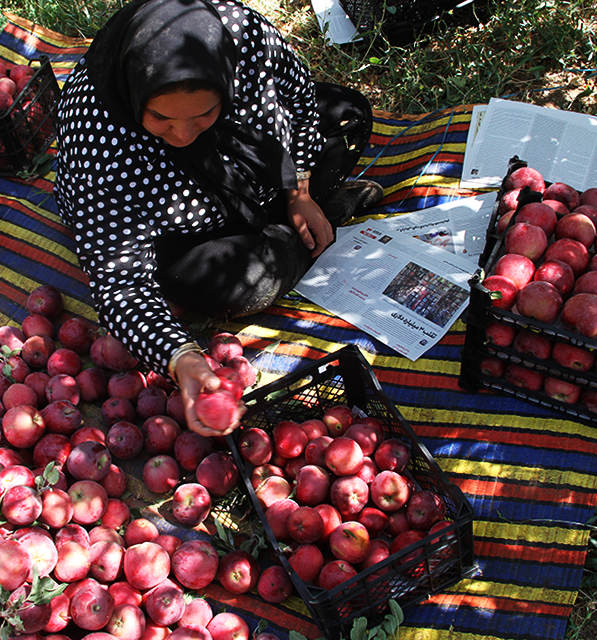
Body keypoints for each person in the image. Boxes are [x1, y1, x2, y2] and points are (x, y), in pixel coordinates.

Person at [54, 0, 381, 436]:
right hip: (179, 229)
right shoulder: (98, 133)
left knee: (348, 115)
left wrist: (298, 190)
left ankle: (302, 210)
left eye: (204, 113)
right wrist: (182, 357)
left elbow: (301, 100)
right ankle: (313, 221)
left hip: (257, 170)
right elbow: (121, 284)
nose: (184, 134)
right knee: (221, 286)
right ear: (137, 99)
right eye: (161, 118)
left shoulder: (244, 38)